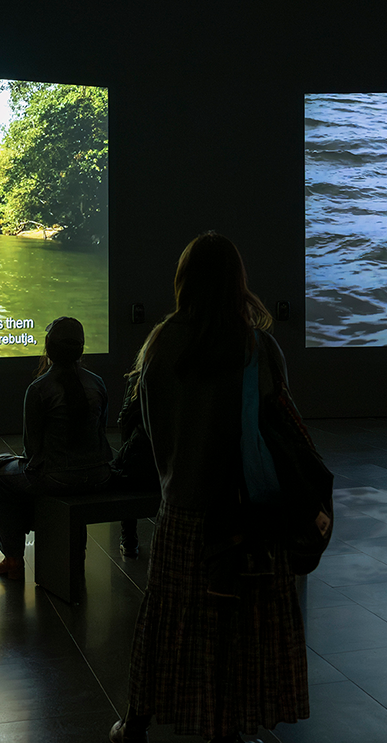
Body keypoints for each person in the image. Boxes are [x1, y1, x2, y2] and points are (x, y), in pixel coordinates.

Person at [111, 232, 309, 743]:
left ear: (184, 280)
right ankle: (232, 726)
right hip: (249, 512)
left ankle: (137, 720)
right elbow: (280, 426)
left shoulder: (161, 343)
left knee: (169, 622)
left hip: (183, 507)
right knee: (242, 626)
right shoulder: (259, 346)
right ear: (238, 282)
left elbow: (150, 429)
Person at [0, 316, 112, 580]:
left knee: (1, 479)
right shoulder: (98, 384)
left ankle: (12, 558)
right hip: (100, 476)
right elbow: (100, 433)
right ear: (81, 349)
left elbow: (31, 451)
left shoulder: (39, 389)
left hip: (57, 478)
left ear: (48, 348)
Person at [108, 367, 158, 558]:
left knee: (123, 469)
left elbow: (125, 421)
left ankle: (129, 540)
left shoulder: (137, 378)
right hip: (170, 467)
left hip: (139, 465)